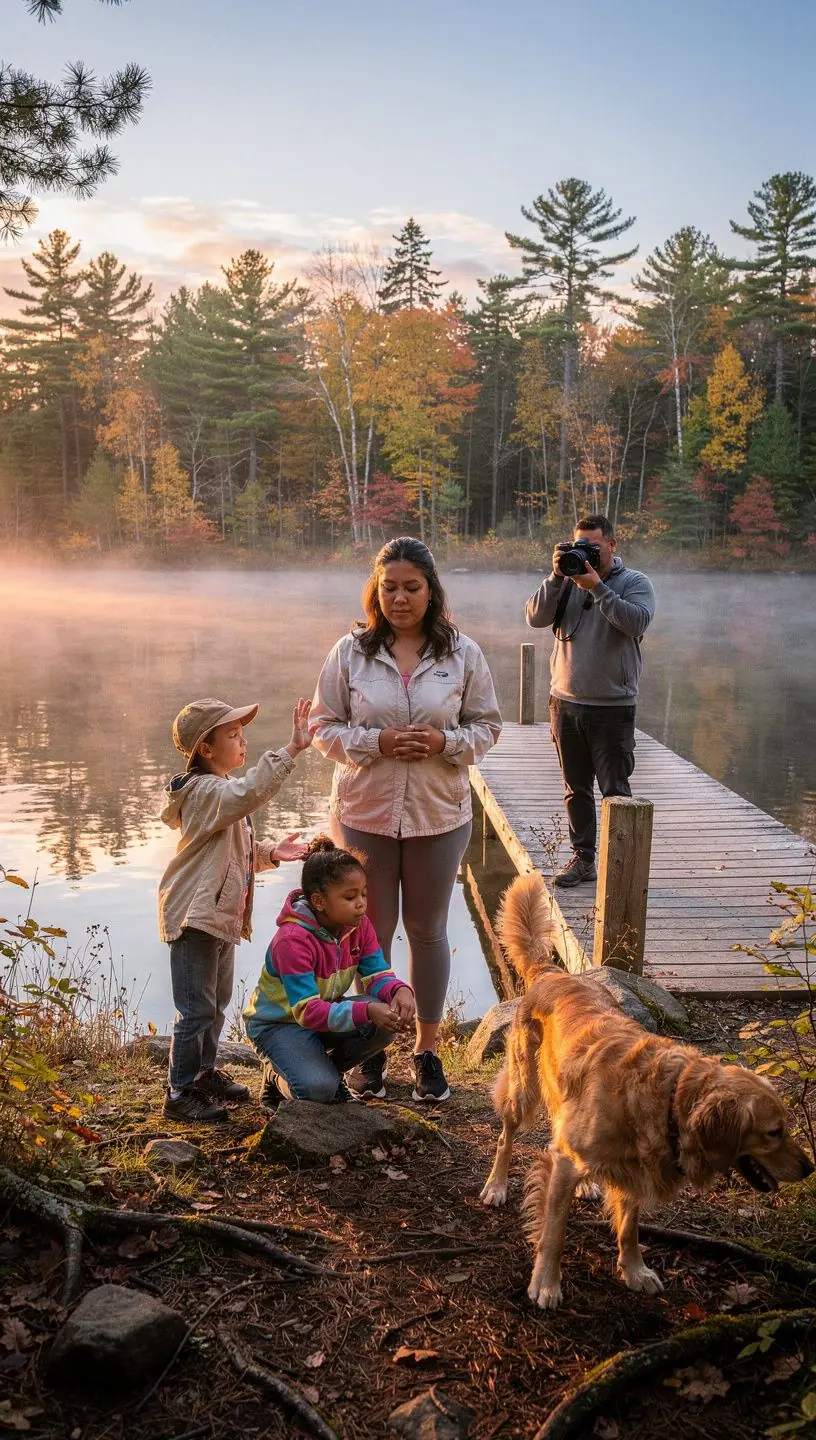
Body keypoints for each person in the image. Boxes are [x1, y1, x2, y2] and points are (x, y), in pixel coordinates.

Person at [310, 536, 502, 1103]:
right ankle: (370, 1051)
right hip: (363, 813)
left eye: (411, 588)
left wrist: (446, 741)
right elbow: (322, 728)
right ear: (376, 590)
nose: (399, 598)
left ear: (431, 591)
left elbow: (488, 727)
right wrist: (377, 741)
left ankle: (426, 1051)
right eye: (389, 587)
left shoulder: (463, 654)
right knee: (369, 937)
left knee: (427, 932)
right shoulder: (350, 653)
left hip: (439, 816)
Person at [158, 696, 312, 1122]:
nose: (243, 741)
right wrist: (293, 749)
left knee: (216, 1001)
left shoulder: (219, 794)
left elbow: (231, 853)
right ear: (205, 749)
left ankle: (204, 1073)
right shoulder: (206, 791)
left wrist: (271, 853)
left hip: (218, 916)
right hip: (195, 916)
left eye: (243, 733)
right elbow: (250, 791)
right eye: (233, 735)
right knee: (195, 1008)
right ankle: (179, 1091)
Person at [525, 514, 656, 888]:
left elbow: (636, 623)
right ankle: (583, 859)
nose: (586, 554)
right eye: (580, 545)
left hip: (613, 707)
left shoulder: (635, 582)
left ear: (613, 545)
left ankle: (621, 867)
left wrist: (597, 587)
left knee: (616, 792)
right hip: (564, 703)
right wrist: (555, 577)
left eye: (593, 547)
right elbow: (534, 617)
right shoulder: (565, 581)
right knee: (575, 788)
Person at [243, 836, 416, 1106]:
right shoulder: (292, 940)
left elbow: (376, 974)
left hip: (320, 1017)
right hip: (278, 1026)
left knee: (386, 1022)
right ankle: (277, 1077)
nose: (361, 903)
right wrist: (366, 1010)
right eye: (350, 897)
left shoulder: (359, 926)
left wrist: (399, 990)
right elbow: (306, 1012)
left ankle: (327, 1075)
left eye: (364, 894)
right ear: (319, 901)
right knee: (317, 1092)